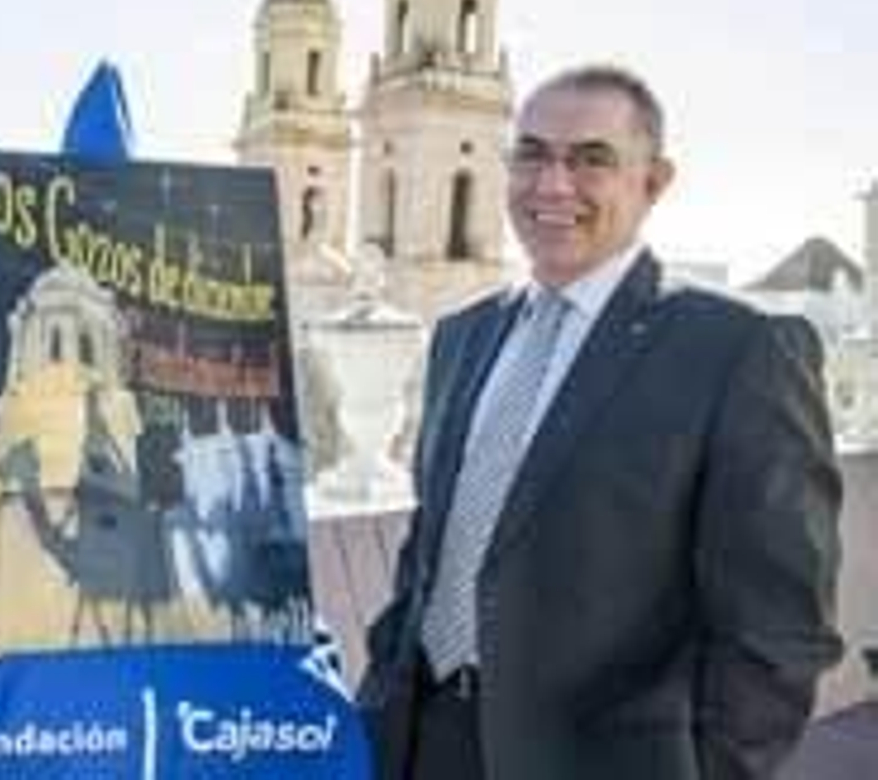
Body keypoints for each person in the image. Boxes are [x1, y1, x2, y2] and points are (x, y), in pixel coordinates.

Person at [358, 64, 843, 779]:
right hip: (422, 743)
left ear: (654, 181)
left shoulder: (738, 351)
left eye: (592, 159)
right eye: (531, 154)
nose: (553, 184)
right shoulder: (460, 337)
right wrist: (382, 698)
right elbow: (430, 553)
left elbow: (780, 632)